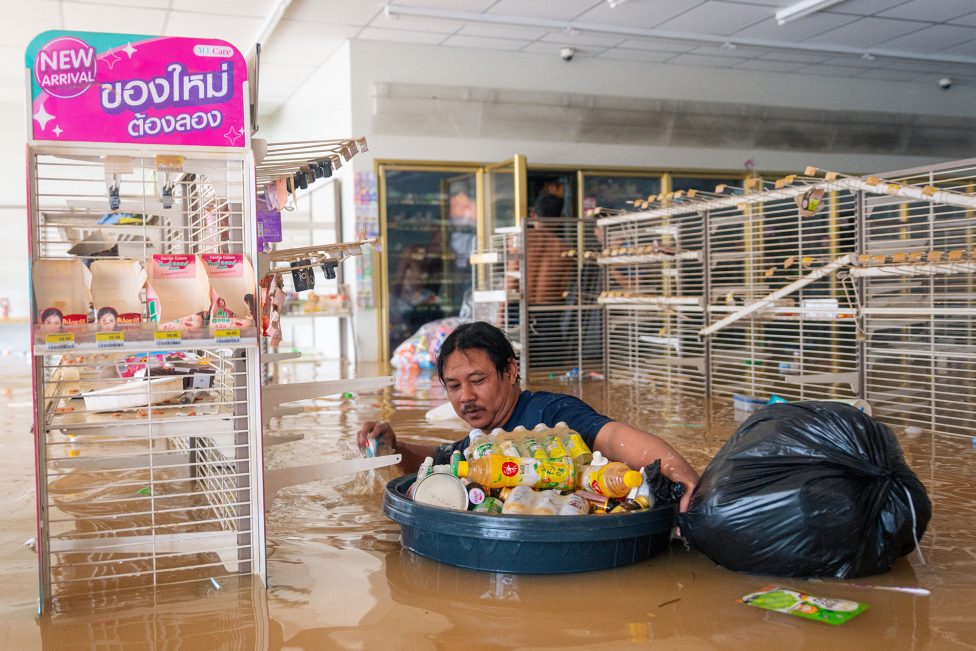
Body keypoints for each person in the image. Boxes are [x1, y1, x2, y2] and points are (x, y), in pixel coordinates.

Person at [359, 321, 700, 511]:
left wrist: (678, 476)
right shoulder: (484, 441)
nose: (465, 396)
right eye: (453, 386)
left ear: (510, 371)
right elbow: (442, 457)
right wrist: (394, 445)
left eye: (478, 380)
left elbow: (613, 437)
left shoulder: (551, 414)